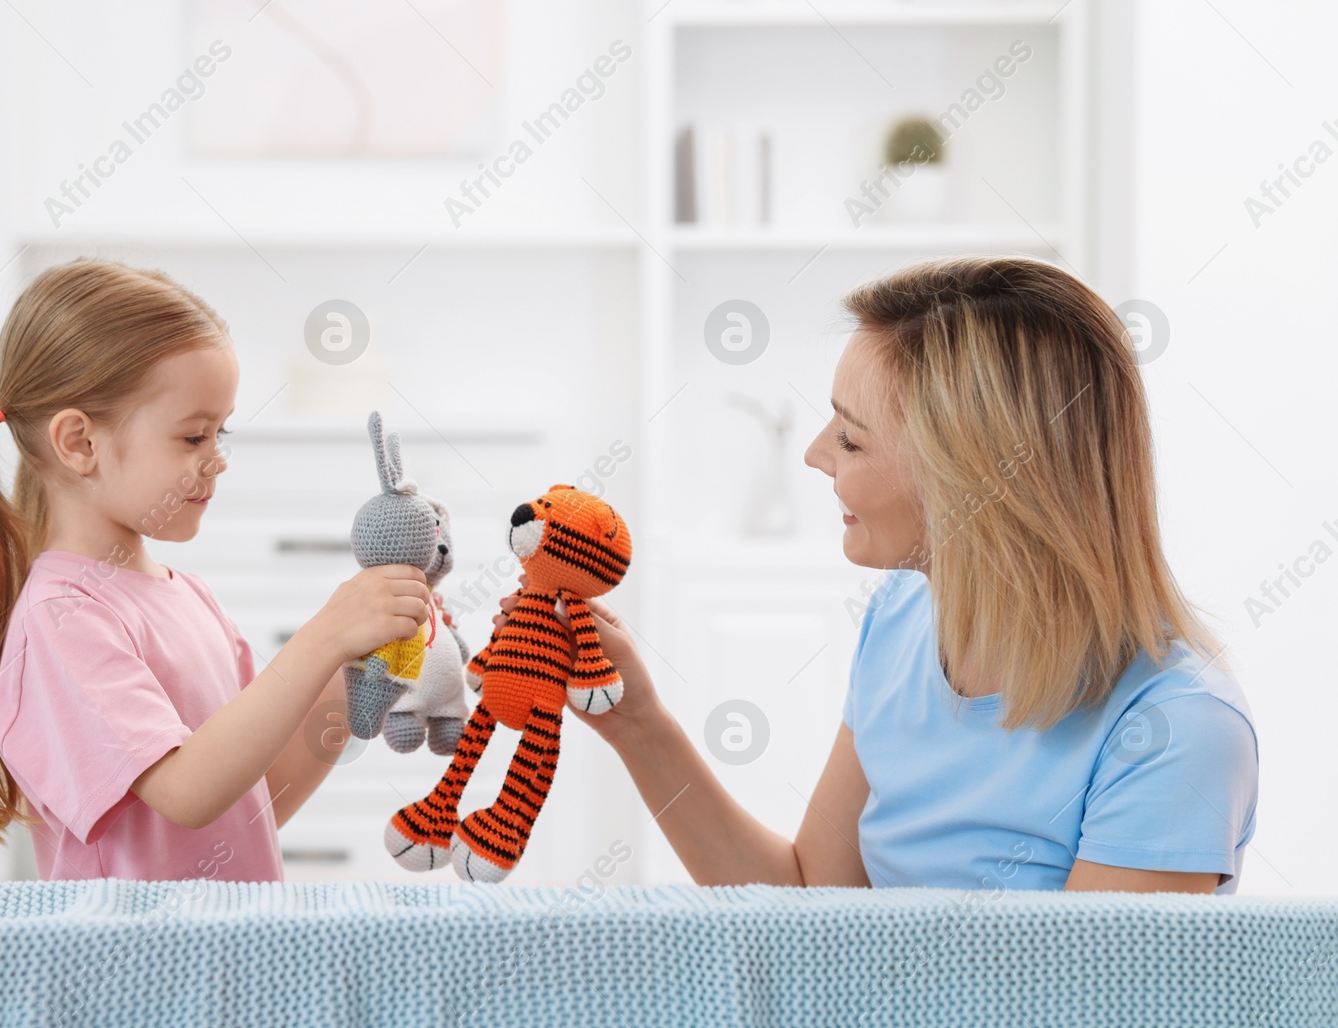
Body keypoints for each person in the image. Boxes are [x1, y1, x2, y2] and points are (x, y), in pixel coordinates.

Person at [503, 255, 1258, 894]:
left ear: (970, 478)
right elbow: (814, 903)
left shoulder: (1178, 729)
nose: (814, 455)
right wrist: (639, 726)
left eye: (852, 440)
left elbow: (1074, 1026)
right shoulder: (901, 618)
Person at [0, 259, 431, 880]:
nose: (218, 460)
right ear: (79, 443)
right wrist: (323, 636)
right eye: (193, 438)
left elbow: (251, 801)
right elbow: (188, 792)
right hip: (138, 970)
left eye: (220, 433)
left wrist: (352, 675)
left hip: (217, 956)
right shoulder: (62, 619)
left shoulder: (189, 597)